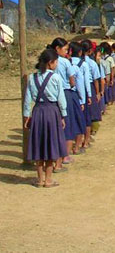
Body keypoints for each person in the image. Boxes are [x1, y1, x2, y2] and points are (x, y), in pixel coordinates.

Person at [24, 49, 68, 188]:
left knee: (38, 144)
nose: (57, 65)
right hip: (52, 112)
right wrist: (63, 115)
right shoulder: (55, 78)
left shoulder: (32, 77)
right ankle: (48, 180)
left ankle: (40, 179)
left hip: (37, 111)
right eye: (56, 62)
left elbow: (27, 99)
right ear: (51, 63)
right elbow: (61, 99)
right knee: (51, 144)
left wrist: (27, 116)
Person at [48, 37, 76, 171]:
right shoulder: (64, 62)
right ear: (57, 49)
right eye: (65, 49)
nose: (66, 52)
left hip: (49, 98)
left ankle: (53, 156)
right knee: (67, 125)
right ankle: (64, 156)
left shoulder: (46, 62)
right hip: (64, 94)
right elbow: (72, 80)